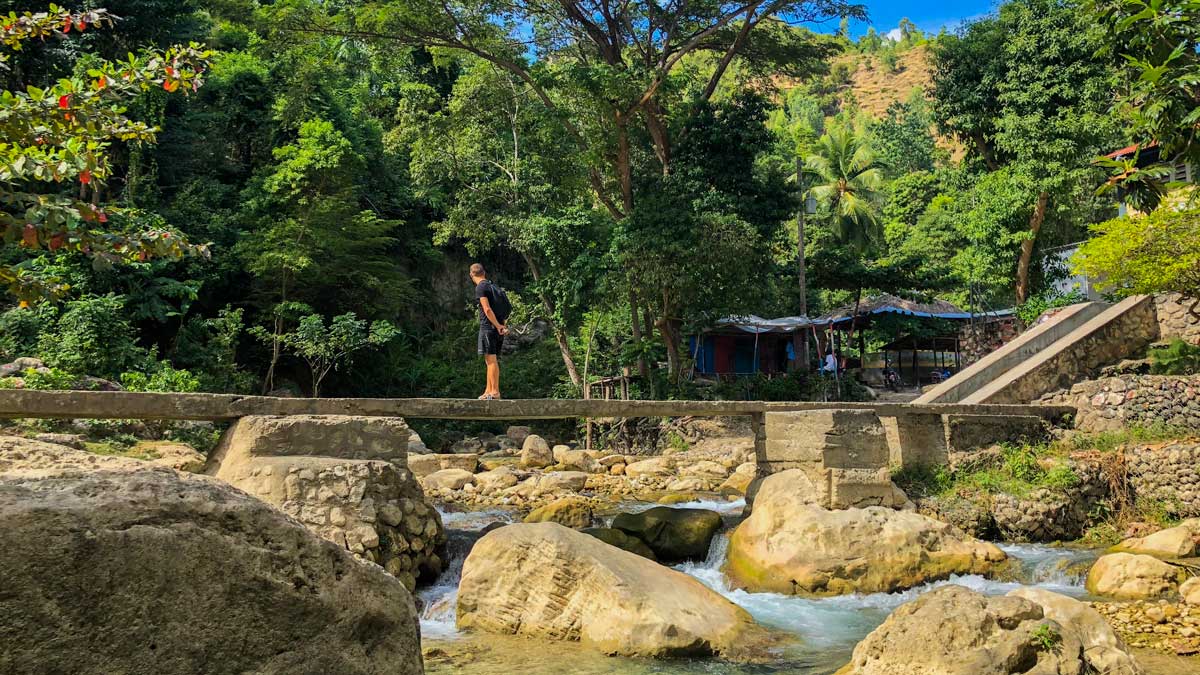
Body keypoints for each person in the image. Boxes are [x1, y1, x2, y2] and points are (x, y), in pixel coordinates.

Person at [470, 263, 508, 400]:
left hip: (488, 327)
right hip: (497, 327)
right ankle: (488, 391)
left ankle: (495, 392)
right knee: (489, 360)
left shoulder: (480, 287)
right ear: (484, 273)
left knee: (491, 360)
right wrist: (501, 325)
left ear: (471, 275)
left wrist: (497, 325)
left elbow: (486, 309)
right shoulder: (492, 285)